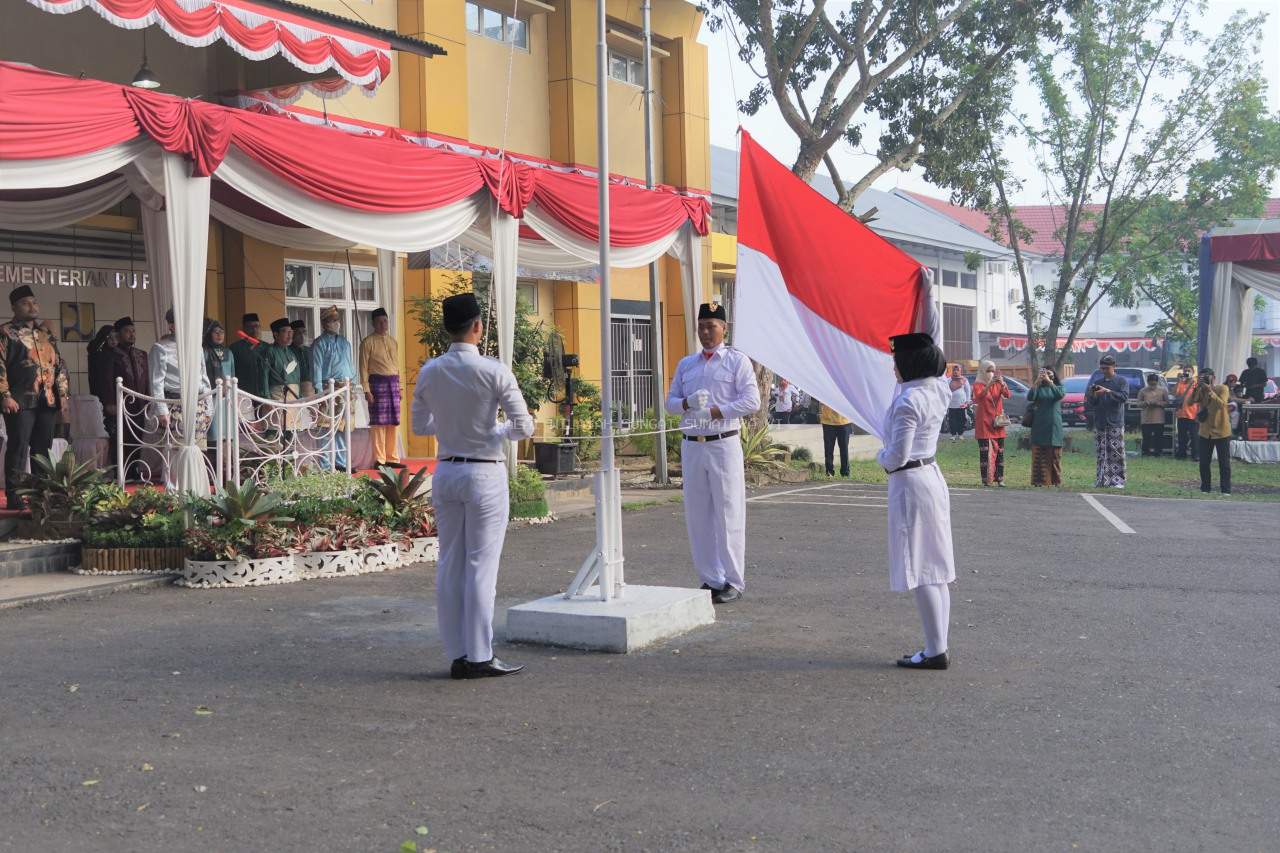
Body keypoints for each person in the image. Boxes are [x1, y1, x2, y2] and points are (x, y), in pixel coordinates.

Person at [411, 293, 534, 679]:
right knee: (481, 565)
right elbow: (523, 427)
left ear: (448, 328)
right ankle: (480, 654)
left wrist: (451, 427)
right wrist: (493, 429)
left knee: (450, 562)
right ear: (478, 327)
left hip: (447, 470)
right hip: (484, 472)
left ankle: (457, 652)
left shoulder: (431, 370)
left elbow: (419, 426)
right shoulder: (494, 371)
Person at [664, 302, 760, 604]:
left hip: (722, 443)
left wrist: (718, 411)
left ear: (724, 328)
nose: (706, 332)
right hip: (693, 445)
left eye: (712, 326)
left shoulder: (736, 362)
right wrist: (688, 403)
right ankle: (710, 578)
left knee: (728, 512)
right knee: (698, 514)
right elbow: (670, 403)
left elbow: (751, 401)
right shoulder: (687, 365)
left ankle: (733, 580)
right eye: (702, 326)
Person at [876, 332, 955, 670]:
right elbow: (933, 336)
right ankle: (938, 644)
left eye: (897, 360)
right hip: (931, 477)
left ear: (908, 363)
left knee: (922, 567)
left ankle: (935, 650)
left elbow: (896, 456)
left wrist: (880, 456)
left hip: (910, 482)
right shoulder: (938, 389)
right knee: (937, 567)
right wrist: (926, 296)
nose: (893, 366)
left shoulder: (909, 401)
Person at [0, 286, 69, 509]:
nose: (32, 306)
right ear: (14, 307)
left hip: (46, 401)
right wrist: (4, 395)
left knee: (43, 451)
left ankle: (41, 496)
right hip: (19, 402)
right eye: (25, 303)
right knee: (18, 449)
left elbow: (59, 365)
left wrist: (63, 396)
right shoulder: (5, 332)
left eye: (34, 302)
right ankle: (15, 497)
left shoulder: (45, 334)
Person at [150, 309, 211, 484]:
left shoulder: (196, 346)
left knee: (196, 449)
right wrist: (161, 410)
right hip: (174, 403)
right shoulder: (161, 348)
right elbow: (156, 382)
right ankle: (174, 488)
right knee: (175, 450)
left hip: (198, 403)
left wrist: (209, 406)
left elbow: (204, 377)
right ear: (171, 326)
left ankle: (195, 486)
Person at [311, 305, 356, 470]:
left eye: (337, 320)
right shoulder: (319, 343)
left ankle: (341, 462)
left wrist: (354, 382)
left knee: (342, 427)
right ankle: (325, 464)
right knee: (326, 427)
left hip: (346, 387)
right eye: (333, 321)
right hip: (328, 387)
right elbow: (316, 368)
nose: (337, 324)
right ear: (325, 324)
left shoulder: (345, 342)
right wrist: (319, 393)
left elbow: (349, 364)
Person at [360, 307, 403, 469]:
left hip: (393, 384)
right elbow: (363, 368)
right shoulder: (367, 342)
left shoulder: (393, 341)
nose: (383, 324)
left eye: (385, 321)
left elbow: (397, 367)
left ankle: (392, 458)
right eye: (379, 322)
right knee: (378, 424)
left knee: (393, 422)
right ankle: (380, 459)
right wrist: (366, 390)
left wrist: (400, 388)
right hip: (376, 384)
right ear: (373, 323)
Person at [111, 315, 150, 482]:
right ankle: (121, 471)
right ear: (118, 334)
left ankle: (135, 469)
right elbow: (107, 380)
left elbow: (147, 379)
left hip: (140, 405)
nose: (132, 334)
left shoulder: (142, 354)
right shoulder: (112, 355)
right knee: (121, 437)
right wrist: (109, 403)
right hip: (120, 405)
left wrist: (149, 400)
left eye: (133, 331)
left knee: (138, 438)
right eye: (127, 331)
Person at [1084, 355, 1129, 488]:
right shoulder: (1098, 382)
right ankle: (1101, 480)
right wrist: (1093, 394)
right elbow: (1091, 402)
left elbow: (1124, 397)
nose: (1104, 371)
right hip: (1100, 422)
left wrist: (1108, 391)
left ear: (1114, 367)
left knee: (1116, 452)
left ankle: (1118, 481)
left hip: (1115, 422)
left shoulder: (1121, 381)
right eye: (1102, 368)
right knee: (1101, 452)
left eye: (1106, 368)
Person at [1190, 368, 1231, 494]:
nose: (1204, 379)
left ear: (1213, 377)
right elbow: (1190, 402)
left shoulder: (1222, 388)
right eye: (1202, 377)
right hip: (1205, 431)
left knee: (1224, 463)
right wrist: (1197, 387)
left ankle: (1225, 490)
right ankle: (1205, 488)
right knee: (1204, 463)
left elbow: (1222, 405)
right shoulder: (1201, 390)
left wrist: (1209, 390)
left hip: (1221, 431)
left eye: (1206, 377)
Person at [261, 318, 301, 441]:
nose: (290, 335)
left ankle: (288, 459)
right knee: (274, 431)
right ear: (276, 334)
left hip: (292, 396)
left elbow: (297, 377)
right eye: (285, 331)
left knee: (290, 432)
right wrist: (267, 398)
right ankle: (273, 459)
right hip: (276, 395)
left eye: (291, 331)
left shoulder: (292, 353)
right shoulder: (269, 351)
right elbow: (264, 376)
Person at [972, 360, 1010, 486]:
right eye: (988, 371)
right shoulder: (978, 384)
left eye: (993, 371)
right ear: (983, 371)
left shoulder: (998, 384)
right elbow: (978, 397)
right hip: (984, 423)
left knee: (1000, 452)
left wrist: (1003, 384)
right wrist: (988, 385)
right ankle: (986, 480)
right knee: (985, 453)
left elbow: (1007, 395)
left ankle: (1000, 479)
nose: (991, 373)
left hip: (998, 423)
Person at [1026, 367, 1065, 486]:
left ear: (1054, 376)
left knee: (1054, 455)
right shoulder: (1038, 388)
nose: (1046, 375)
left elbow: (1060, 395)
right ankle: (1039, 481)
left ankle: (1055, 481)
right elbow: (1030, 397)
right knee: (1039, 453)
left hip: (1053, 424)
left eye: (1049, 374)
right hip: (1039, 424)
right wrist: (1037, 382)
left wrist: (1050, 382)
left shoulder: (1058, 387)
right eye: (1044, 373)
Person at [204, 319, 235, 464]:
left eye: (221, 332)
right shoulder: (204, 351)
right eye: (215, 332)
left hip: (227, 398)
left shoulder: (229, 352)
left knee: (228, 432)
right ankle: (213, 467)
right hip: (212, 397)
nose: (219, 335)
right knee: (214, 432)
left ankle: (227, 466)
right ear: (209, 334)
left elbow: (233, 374)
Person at [86, 325, 118, 465]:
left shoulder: (103, 353)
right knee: (112, 433)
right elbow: (104, 380)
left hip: (104, 399)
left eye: (115, 336)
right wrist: (109, 402)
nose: (113, 340)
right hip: (107, 400)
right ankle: (113, 466)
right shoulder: (103, 355)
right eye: (109, 337)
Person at [229, 313, 266, 398]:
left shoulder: (266, 347)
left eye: (257, 326)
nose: (254, 329)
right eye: (250, 327)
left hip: (263, 394)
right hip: (243, 393)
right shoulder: (234, 348)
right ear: (243, 329)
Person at [1136, 373, 1170, 457]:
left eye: (1154, 384)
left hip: (1159, 418)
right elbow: (1138, 404)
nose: (1152, 386)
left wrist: (1158, 403)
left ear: (1157, 382)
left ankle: (1158, 452)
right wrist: (1146, 403)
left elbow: (1167, 403)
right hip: (1146, 419)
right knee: (1146, 437)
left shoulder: (1163, 390)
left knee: (1158, 437)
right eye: (1150, 384)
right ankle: (1145, 452)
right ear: (1147, 382)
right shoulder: (1142, 391)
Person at [819, 402, 852, 477]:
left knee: (844, 449)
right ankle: (829, 471)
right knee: (828, 449)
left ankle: (845, 472)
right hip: (828, 421)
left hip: (844, 421)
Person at [1172, 369, 1199, 461]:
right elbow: (1175, 393)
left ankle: (1195, 455)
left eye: (1189, 371)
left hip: (1193, 415)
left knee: (1194, 436)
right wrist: (1178, 381)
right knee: (1181, 436)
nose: (1186, 373)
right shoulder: (1181, 383)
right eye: (1185, 371)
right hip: (1181, 414)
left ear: (1192, 372)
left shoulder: (1195, 383)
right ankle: (1181, 454)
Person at [289, 319, 314, 397]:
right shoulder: (288, 351)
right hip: (293, 387)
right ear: (292, 334)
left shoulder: (309, 350)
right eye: (298, 333)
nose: (302, 335)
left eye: (304, 332)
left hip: (310, 387)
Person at [945, 365, 970, 440]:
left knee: (961, 420)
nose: (955, 371)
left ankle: (960, 434)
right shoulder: (948, 380)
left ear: (960, 371)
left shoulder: (964, 380)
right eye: (954, 370)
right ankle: (953, 435)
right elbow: (945, 391)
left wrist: (967, 401)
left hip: (961, 404)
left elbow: (968, 391)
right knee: (952, 420)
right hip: (951, 404)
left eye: (957, 370)